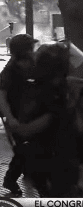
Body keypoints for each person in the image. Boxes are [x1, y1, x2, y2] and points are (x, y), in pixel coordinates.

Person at [0, 34, 38, 196]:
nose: (33, 51)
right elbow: (1, 95)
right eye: (30, 47)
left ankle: (28, 171)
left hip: (29, 114)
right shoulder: (11, 70)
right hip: (17, 117)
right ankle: (10, 179)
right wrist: (11, 118)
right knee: (24, 150)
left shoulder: (29, 64)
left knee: (28, 148)